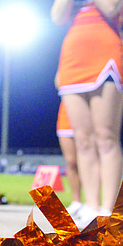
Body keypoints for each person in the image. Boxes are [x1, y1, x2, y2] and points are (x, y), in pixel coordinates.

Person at [51, 0, 123, 227]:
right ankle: (90, 205)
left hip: (104, 51)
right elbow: (57, 17)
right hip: (73, 55)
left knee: (106, 137)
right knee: (83, 139)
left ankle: (107, 210)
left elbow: (110, 6)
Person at [54, 70, 83, 220]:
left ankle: (93, 204)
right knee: (71, 162)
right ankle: (77, 201)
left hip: (84, 113)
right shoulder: (69, 63)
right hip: (66, 115)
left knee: (87, 161)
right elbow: (59, 82)